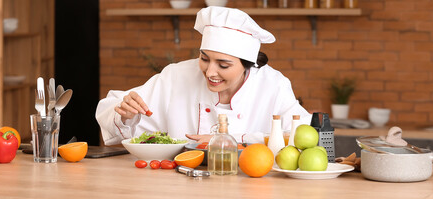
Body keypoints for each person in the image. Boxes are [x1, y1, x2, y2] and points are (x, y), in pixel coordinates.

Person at [96, 6, 312, 146]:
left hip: (253, 190)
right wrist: (125, 114)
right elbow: (109, 107)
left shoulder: (273, 84)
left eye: (224, 65)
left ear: (248, 65)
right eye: (205, 58)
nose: (210, 72)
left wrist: (231, 141)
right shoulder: (176, 75)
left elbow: (300, 133)